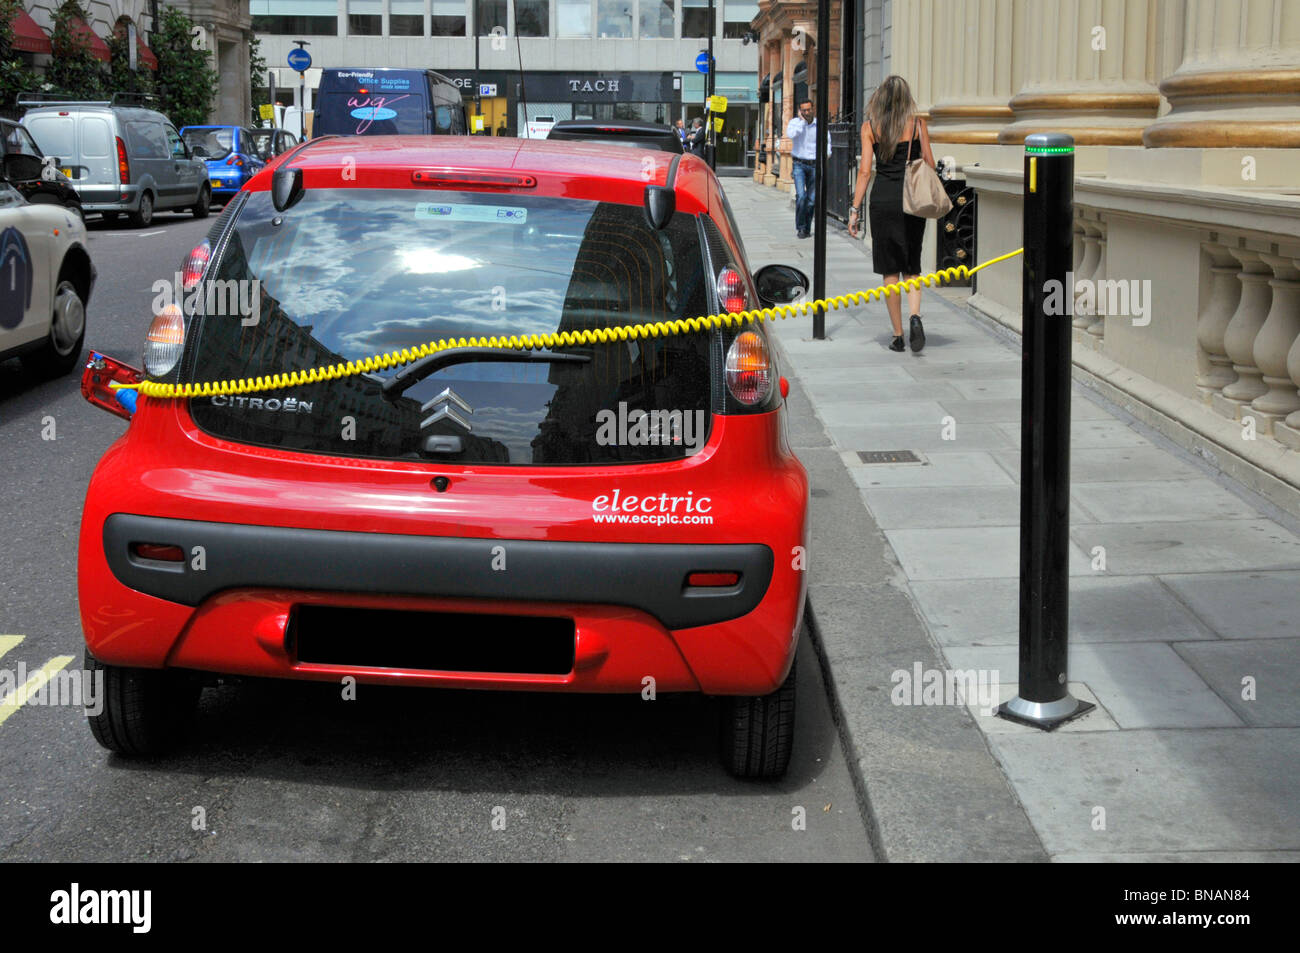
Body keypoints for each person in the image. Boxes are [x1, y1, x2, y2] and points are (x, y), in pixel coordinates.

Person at [848, 75, 935, 353]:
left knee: (890, 270)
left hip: (883, 200)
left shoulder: (870, 127)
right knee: (912, 265)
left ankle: (898, 335)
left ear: (881, 99)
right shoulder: (918, 124)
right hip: (912, 200)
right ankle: (915, 316)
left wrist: (854, 210)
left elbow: (864, 172)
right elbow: (930, 164)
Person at [785, 98, 830, 239]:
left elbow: (827, 142)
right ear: (800, 111)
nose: (806, 112)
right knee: (801, 197)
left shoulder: (820, 125)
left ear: (813, 109)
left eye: (808, 109)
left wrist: (827, 154)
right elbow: (791, 135)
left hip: (814, 165)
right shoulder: (795, 123)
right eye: (803, 110)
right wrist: (803, 122)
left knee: (811, 200)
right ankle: (800, 227)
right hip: (799, 164)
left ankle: (806, 229)